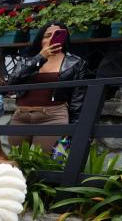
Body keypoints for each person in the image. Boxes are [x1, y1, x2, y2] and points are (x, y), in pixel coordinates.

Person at [8, 22, 87, 153]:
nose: (51, 39)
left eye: (57, 35)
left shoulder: (76, 63)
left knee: (45, 162)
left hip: (53, 117)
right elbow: (12, 82)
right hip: (21, 116)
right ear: (40, 39)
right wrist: (40, 57)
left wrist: (73, 128)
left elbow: (77, 99)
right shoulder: (27, 60)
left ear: (64, 39)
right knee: (17, 162)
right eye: (47, 35)